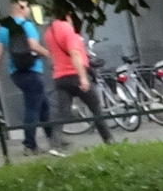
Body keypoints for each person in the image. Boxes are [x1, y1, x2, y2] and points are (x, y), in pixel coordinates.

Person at [0, 0, 57, 156]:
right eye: (27, 7)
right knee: (32, 108)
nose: (29, 10)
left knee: (43, 105)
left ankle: (54, 140)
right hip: (32, 70)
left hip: (16, 73)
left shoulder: (4, 28)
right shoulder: (27, 25)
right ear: (22, 8)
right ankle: (30, 145)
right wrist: (50, 56)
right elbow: (33, 46)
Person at [41, 9, 111, 147]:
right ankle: (109, 140)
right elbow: (75, 54)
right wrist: (83, 77)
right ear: (67, 16)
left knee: (62, 113)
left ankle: (55, 145)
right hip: (75, 75)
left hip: (60, 77)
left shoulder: (49, 33)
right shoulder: (68, 30)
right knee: (95, 107)